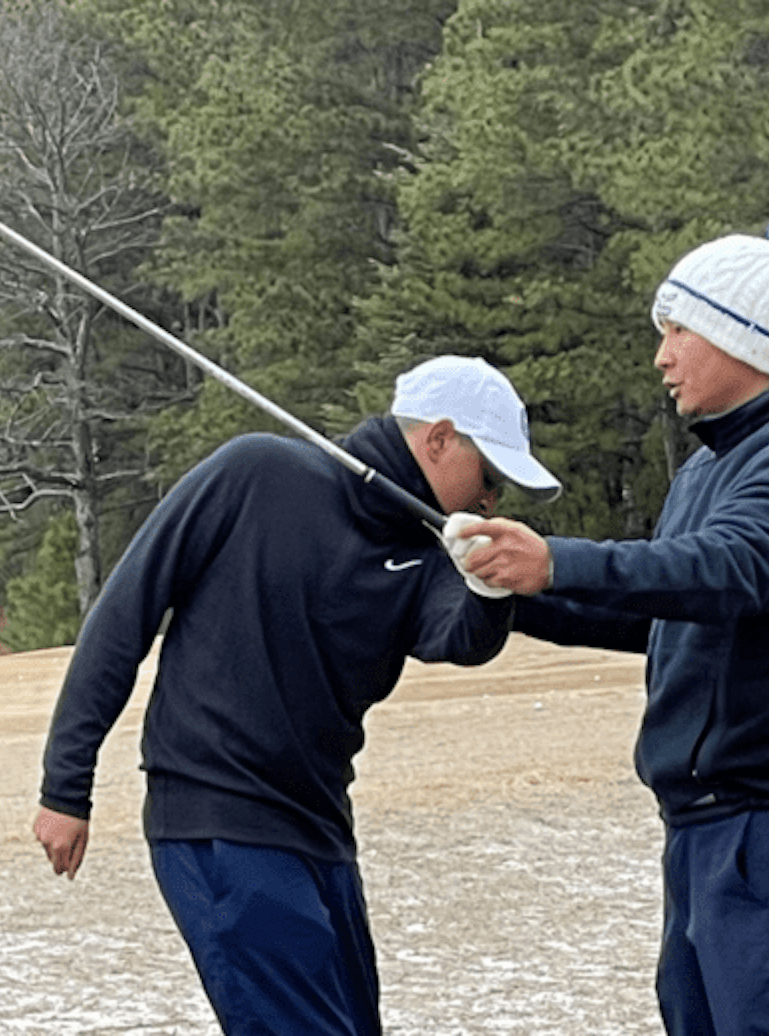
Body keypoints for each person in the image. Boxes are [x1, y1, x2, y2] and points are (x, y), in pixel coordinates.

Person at [32, 355, 561, 1036]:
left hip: (319, 833)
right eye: (489, 479)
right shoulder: (255, 472)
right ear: (438, 439)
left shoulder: (427, 559)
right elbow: (124, 613)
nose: (491, 501)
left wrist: (489, 586)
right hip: (217, 820)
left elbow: (458, 638)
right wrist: (64, 787)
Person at [457, 215, 769, 1036]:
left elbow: (727, 569)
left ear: (739, 336)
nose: (661, 356)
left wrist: (557, 561)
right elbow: (664, 611)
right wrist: (511, 593)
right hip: (701, 828)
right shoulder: (710, 466)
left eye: (677, 329)